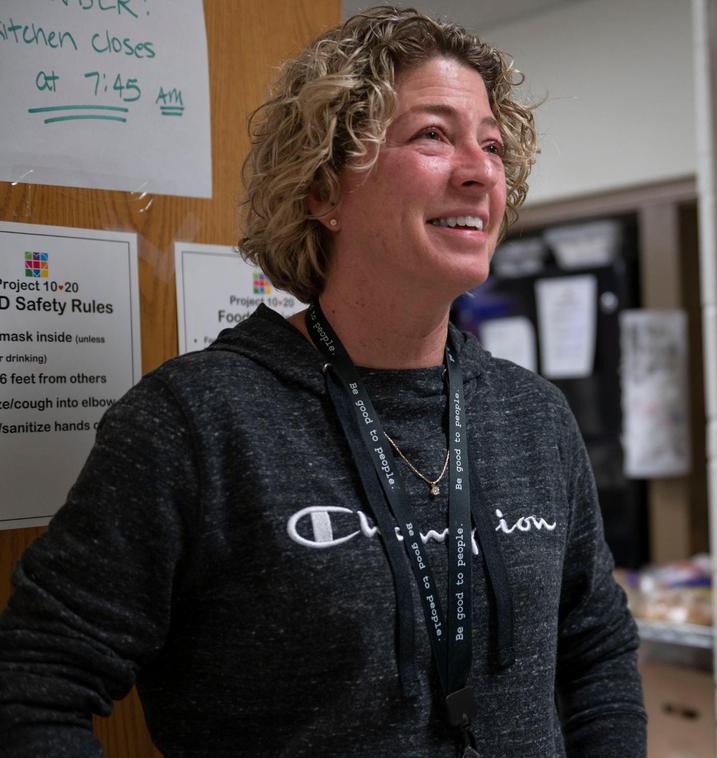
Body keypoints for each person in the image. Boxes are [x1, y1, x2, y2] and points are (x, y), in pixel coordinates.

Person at [0, 7, 646, 756]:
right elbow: (33, 685)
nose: (479, 171)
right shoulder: (198, 423)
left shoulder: (534, 416)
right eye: (433, 135)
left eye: (492, 146)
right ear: (323, 192)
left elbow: (596, 648)